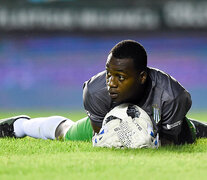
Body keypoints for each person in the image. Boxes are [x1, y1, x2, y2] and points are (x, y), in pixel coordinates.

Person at [0, 40, 207, 145]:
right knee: (65, 132)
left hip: (159, 125)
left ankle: (198, 127)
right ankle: (20, 125)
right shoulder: (95, 91)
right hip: (113, 122)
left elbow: (167, 148)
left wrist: (142, 142)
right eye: (109, 74)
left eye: (120, 77)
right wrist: (118, 141)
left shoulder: (172, 96)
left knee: (188, 134)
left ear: (142, 77)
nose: (111, 83)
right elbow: (101, 139)